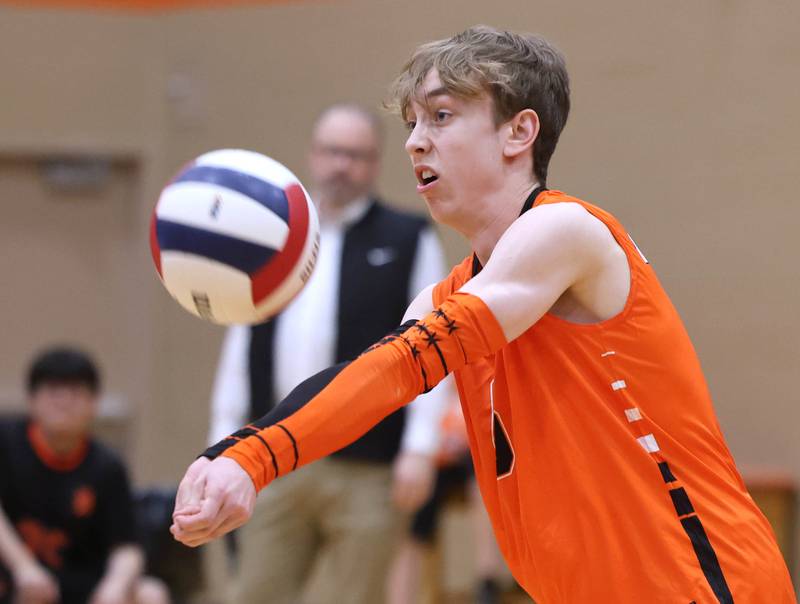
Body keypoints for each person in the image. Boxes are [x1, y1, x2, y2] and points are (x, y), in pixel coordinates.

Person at [171, 26, 797, 603]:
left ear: (519, 133)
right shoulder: (450, 295)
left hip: (703, 584)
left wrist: (252, 457)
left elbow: (409, 361)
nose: (416, 140)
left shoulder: (563, 230)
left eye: (442, 116)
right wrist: (236, 456)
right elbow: (376, 380)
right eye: (413, 122)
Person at [208, 103, 451, 603]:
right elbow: (240, 339)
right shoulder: (273, 234)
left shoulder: (407, 238)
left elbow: (435, 340)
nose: (342, 165)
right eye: (332, 152)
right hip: (273, 455)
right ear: (313, 156)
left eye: (357, 155)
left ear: (376, 163)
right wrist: (222, 442)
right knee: (253, 592)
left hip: (368, 465)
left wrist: (421, 445)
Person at [0, 347, 169, 604]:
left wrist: (114, 587)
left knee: (150, 593)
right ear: (32, 400)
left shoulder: (107, 466)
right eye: (54, 392)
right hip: (14, 576)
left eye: (76, 393)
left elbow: (126, 547)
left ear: (94, 404)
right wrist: (23, 568)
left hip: (79, 582)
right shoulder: (7, 443)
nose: (64, 402)